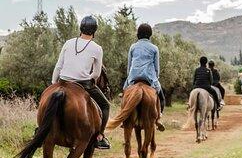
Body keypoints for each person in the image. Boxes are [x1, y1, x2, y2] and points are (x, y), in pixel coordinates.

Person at [52, 15, 111, 149]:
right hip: (83, 83)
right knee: (106, 105)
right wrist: (90, 78)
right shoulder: (97, 48)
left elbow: (58, 65)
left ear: (81, 28)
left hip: (63, 81)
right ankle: (100, 136)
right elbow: (96, 73)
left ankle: (41, 128)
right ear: (94, 31)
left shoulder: (68, 42)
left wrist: (54, 83)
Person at [124, 23, 165, 131]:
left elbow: (129, 65)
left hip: (133, 76)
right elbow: (157, 68)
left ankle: (125, 119)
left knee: (124, 93)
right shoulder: (154, 48)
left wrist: (129, 78)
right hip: (149, 77)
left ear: (138, 34)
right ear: (150, 35)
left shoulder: (132, 47)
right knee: (160, 96)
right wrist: (156, 78)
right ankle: (158, 118)